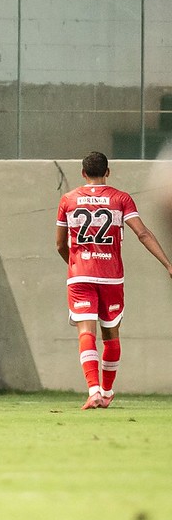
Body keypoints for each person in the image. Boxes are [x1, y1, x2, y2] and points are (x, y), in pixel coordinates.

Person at [56, 151, 172, 409]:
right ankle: (107, 391)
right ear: (107, 172)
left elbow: (60, 244)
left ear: (83, 173)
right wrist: (167, 263)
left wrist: (75, 265)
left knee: (86, 332)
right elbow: (142, 233)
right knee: (111, 335)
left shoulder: (68, 199)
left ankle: (94, 391)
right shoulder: (121, 199)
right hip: (111, 277)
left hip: (80, 276)